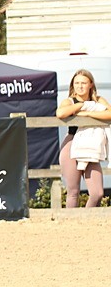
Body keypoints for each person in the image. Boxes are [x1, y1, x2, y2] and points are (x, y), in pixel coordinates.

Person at [57, 69, 111, 207]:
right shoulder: (69, 101)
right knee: (73, 192)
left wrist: (86, 113)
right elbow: (61, 113)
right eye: (77, 83)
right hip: (72, 142)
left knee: (97, 193)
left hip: (91, 145)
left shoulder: (98, 100)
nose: (80, 86)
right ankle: (71, 224)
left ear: (90, 84)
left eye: (83, 83)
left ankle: (87, 219)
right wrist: (81, 105)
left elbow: (109, 114)